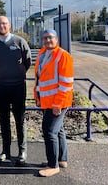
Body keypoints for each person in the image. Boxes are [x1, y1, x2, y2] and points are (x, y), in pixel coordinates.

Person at [0, 16, 32, 165]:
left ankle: (22, 151)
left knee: (20, 120)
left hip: (18, 87)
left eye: (5, 23)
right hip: (1, 87)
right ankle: (5, 151)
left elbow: (28, 62)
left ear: (9, 25)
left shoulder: (20, 42)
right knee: (3, 120)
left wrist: (17, 75)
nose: (2, 26)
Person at [33, 29, 74, 177]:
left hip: (57, 103)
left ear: (56, 39)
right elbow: (39, 78)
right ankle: (62, 160)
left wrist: (58, 104)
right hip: (47, 101)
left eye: (50, 38)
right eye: (45, 38)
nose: (47, 40)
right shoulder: (42, 54)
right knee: (59, 130)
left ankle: (53, 165)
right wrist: (38, 97)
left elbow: (66, 84)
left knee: (49, 131)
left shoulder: (63, 56)